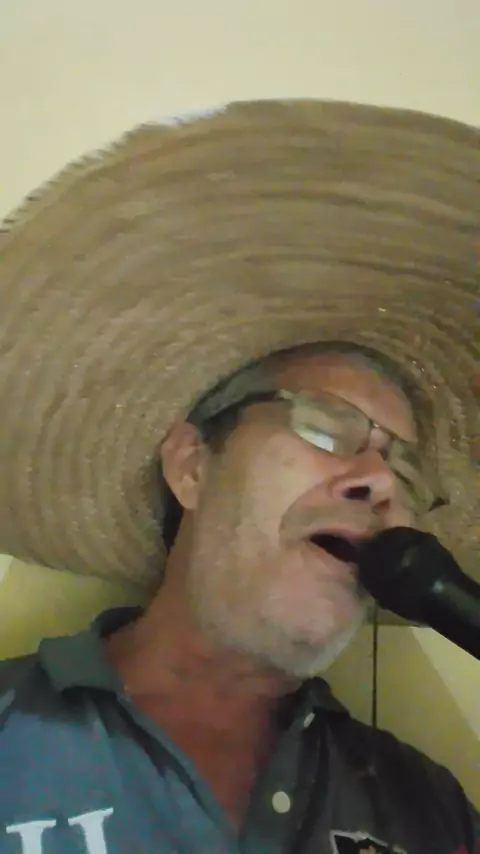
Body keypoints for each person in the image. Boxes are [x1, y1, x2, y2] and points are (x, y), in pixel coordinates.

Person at [0, 99, 478, 854]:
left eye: (405, 469)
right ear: (192, 466)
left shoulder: (433, 810)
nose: (380, 484)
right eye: (326, 424)